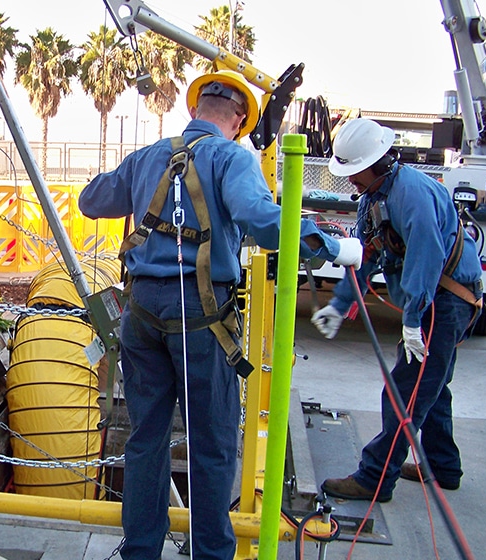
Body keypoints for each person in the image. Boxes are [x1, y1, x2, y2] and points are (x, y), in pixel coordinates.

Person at [78, 70, 363, 560]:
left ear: (195, 110)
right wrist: (334, 245)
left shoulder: (150, 156)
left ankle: (140, 551)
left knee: (146, 440)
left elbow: (90, 200)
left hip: (143, 315)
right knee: (210, 447)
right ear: (236, 120)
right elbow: (262, 220)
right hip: (203, 319)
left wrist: (142, 184)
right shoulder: (232, 157)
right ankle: (209, 555)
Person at [313, 118, 483, 502]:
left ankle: (375, 477)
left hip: (445, 301)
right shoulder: (375, 198)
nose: (350, 181)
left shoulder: (412, 194)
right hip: (436, 301)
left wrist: (411, 322)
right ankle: (443, 466)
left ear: (375, 163)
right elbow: (367, 255)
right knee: (433, 386)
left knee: (404, 393)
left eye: (354, 172)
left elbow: (427, 257)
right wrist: (340, 304)